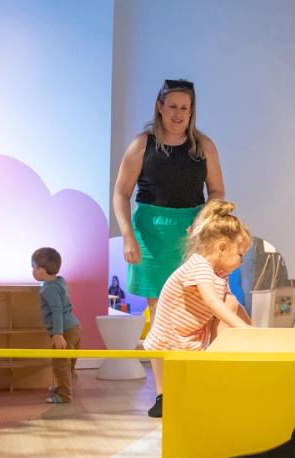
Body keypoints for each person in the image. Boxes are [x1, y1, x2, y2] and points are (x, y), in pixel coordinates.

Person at [112, 78, 225, 321]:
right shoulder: (142, 144)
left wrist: (202, 221)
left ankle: (188, 359)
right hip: (150, 235)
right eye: (173, 106)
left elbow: (216, 191)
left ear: (191, 111)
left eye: (184, 107)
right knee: (159, 313)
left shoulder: (204, 146)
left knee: (194, 310)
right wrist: (127, 237)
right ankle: (161, 360)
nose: (178, 113)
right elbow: (121, 193)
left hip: (191, 235)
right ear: (160, 106)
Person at [142, 200, 252, 418]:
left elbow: (232, 303)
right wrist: (244, 329)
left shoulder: (220, 272)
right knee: (168, 394)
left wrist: (252, 329)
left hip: (191, 332)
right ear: (222, 247)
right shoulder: (200, 266)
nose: (241, 261)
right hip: (171, 334)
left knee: (230, 302)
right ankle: (164, 396)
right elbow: (212, 302)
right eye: (240, 254)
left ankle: (210, 365)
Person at [32, 247, 81, 403]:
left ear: (41, 270)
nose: (32, 271)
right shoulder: (60, 281)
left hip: (65, 331)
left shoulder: (48, 289)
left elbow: (57, 311)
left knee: (61, 364)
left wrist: (57, 334)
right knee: (69, 363)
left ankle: (64, 395)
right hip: (74, 327)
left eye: (33, 267)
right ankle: (66, 388)